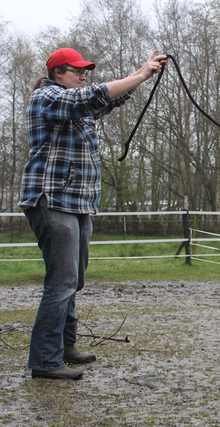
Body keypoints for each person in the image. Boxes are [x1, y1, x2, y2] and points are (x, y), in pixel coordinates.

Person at [19, 47, 168, 380]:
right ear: (58, 72)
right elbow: (91, 97)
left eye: (85, 71)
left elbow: (103, 100)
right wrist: (140, 74)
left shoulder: (76, 105)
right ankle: (44, 360)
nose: (84, 74)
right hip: (52, 199)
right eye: (77, 70)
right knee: (62, 282)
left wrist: (141, 78)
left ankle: (64, 346)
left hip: (78, 203)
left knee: (74, 279)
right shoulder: (48, 98)